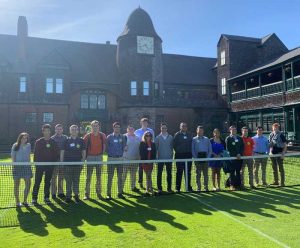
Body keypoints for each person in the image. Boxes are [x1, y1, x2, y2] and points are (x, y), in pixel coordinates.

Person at [32, 124, 60, 204]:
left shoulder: (53, 142)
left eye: (48, 130)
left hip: (50, 166)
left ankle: (46, 197)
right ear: (43, 131)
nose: (47, 132)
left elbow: (56, 154)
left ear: (50, 132)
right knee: (37, 182)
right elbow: (36, 154)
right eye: (45, 130)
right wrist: (37, 164)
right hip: (40, 166)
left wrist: (52, 163)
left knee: (47, 182)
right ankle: (34, 198)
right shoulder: (38, 142)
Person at [60, 125, 86, 203]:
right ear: (70, 131)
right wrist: (62, 163)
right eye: (72, 129)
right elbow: (62, 152)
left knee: (76, 180)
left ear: (78, 131)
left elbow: (84, 152)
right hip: (67, 165)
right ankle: (68, 196)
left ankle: (76, 196)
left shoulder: (81, 140)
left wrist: (82, 161)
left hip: (78, 165)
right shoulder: (66, 140)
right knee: (68, 181)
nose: (74, 131)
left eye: (75, 129)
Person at [83, 120, 106, 200]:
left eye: (96, 126)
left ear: (99, 126)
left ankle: (99, 193)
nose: (95, 127)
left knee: (99, 176)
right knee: (88, 177)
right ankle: (87, 194)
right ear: (91, 126)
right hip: (90, 157)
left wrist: (101, 154)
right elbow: (84, 147)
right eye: (93, 126)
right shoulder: (87, 136)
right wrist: (85, 158)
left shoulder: (102, 135)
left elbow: (104, 145)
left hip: (99, 157)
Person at [106, 122, 127, 199]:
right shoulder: (109, 137)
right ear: (113, 128)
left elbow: (125, 146)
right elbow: (107, 148)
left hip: (120, 159)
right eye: (116, 127)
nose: (117, 128)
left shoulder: (123, 137)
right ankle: (108, 194)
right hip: (111, 159)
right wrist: (111, 154)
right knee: (110, 177)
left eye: (118, 127)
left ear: (120, 128)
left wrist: (125, 149)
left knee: (120, 177)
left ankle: (120, 193)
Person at [11, 132, 32, 207]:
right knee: (16, 185)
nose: (24, 139)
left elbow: (29, 156)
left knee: (28, 184)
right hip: (17, 167)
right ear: (20, 138)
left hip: (26, 167)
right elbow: (13, 157)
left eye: (26, 138)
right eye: (23, 138)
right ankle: (17, 202)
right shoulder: (15, 145)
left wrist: (29, 164)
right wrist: (14, 167)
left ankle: (25, 201)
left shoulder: (29, 145)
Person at [134, 118, 154, 189]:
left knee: (149, 171)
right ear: (141, 123)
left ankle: (148, 185)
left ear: (147, 123)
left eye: (146, 122)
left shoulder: (151, 131)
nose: (144, 123)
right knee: (140, 169)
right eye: (143, 122)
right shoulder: (137, 131)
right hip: (141, 153)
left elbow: (152, 141)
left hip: (149, 153)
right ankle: (140, 182)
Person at [173, 122, 193, 193]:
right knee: (179, 172)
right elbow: (174, 145)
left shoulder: (190, 134)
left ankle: (188, 187)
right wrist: (179, 151)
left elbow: (192, 144)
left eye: (185, 126)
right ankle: (178, 188)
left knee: (188, 172)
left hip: (188, 156)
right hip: (179, 156)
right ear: (180, 127)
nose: (184, 127)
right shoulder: (177, 135)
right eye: (183, 126)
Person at [155, 123, 174, 194]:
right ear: (160, 129)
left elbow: (172, 148)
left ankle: (169, 188)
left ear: (167, 129)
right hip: (160, 159)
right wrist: (156, 158)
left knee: (169, 174)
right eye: (162, 128)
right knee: (159, 174)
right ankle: (159, 189)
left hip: (169, 159)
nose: (163, 129)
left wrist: (172, 157)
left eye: (165, 128)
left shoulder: (171, 137)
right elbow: (155, 149)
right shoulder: (157, 138)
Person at [192, 126, 212, 192]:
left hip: (206, 159)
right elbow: (193, 150)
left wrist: (208, 158)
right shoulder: (194, 139)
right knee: (198, 174)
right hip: (197, 160)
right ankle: (199, 188)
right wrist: (195, 158)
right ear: (196, 131)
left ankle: (206, 188)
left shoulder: (207, 139)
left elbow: (210, 150)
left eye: (201, 130)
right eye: (199, 130)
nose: (200, 132)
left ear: (203, 131)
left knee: (206, 174)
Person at [51, 124, 68, 199]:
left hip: (63, 161)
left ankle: (60, 192)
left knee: (61, 177)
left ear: (62, 130)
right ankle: (53, 193)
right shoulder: (52, 138)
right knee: (53, 178)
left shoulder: (65, 138)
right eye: (57, 129)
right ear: (55, 130)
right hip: (54, 161)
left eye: (60, 129)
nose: (59, 130)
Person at [122, 125, 140, 193]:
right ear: (127, 130)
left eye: (132, 129)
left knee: (133, 175)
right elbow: (120, 146)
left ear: (134, 130)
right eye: (129, 129)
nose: (130, 130)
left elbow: (140, 147)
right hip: (126, 159)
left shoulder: (138, 138)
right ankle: (121, 188)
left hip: (135, 160)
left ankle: (133, 187)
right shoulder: (123, 137)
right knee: (124, 175)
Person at [225, 125, 244, 190]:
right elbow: (228, 149)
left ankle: (239, 185)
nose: (234, 131)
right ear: (230, 130)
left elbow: (242, 147)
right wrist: (236, 154)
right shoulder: (228, 138)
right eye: (232, 130)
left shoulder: (239, 138)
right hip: (232, 158)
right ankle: (232, 185)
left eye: (235, 129)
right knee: (232, 172)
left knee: (238, 171)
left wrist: (239, 154)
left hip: (239, 158)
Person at [139, 131, 156, 195]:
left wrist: (151, 160)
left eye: (149, 135)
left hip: (151, 162)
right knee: (148, 175)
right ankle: (149, 189)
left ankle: (148, 188)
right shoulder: (142, 143)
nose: (148, 137)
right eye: (147, 135)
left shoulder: (153, 144)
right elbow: (141, 153)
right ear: (144, 136)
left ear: (151, 137)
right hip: (145, 162)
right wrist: (146, 161)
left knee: (149, 175)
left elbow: (154, 153)